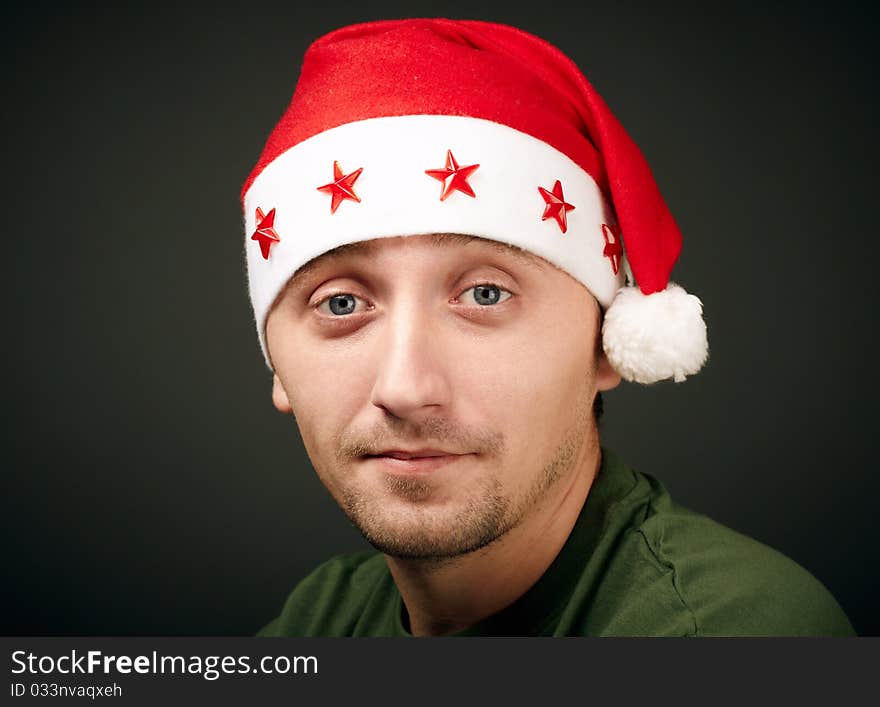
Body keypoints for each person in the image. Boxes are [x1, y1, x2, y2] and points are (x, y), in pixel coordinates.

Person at [241, 19, 854, 636]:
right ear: (278, 363)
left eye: (484, 294)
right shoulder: (322, 617)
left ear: (606, 343)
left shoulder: (735, 636)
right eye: (341, 305)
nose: (404, 387)